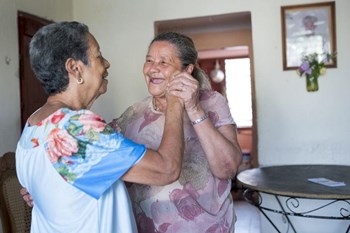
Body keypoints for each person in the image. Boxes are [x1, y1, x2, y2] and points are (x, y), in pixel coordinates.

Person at [20, 31, 243, 232]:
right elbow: (166, 168)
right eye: (98, 56)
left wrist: (45, 186)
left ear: (187, 70)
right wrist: (175, 104)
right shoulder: (83, 128)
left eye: (163, 62)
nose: (107, 63)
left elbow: (82, 169)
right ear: (75, 68)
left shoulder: (35, 124)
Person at [109, 32, 242, 232]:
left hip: (207, 227)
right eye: (149, 60)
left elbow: (228, 169)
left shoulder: (212, 103)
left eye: (164, 62)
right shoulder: (134, 114)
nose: (153, 68)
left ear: (187, 70)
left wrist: (194, 109)